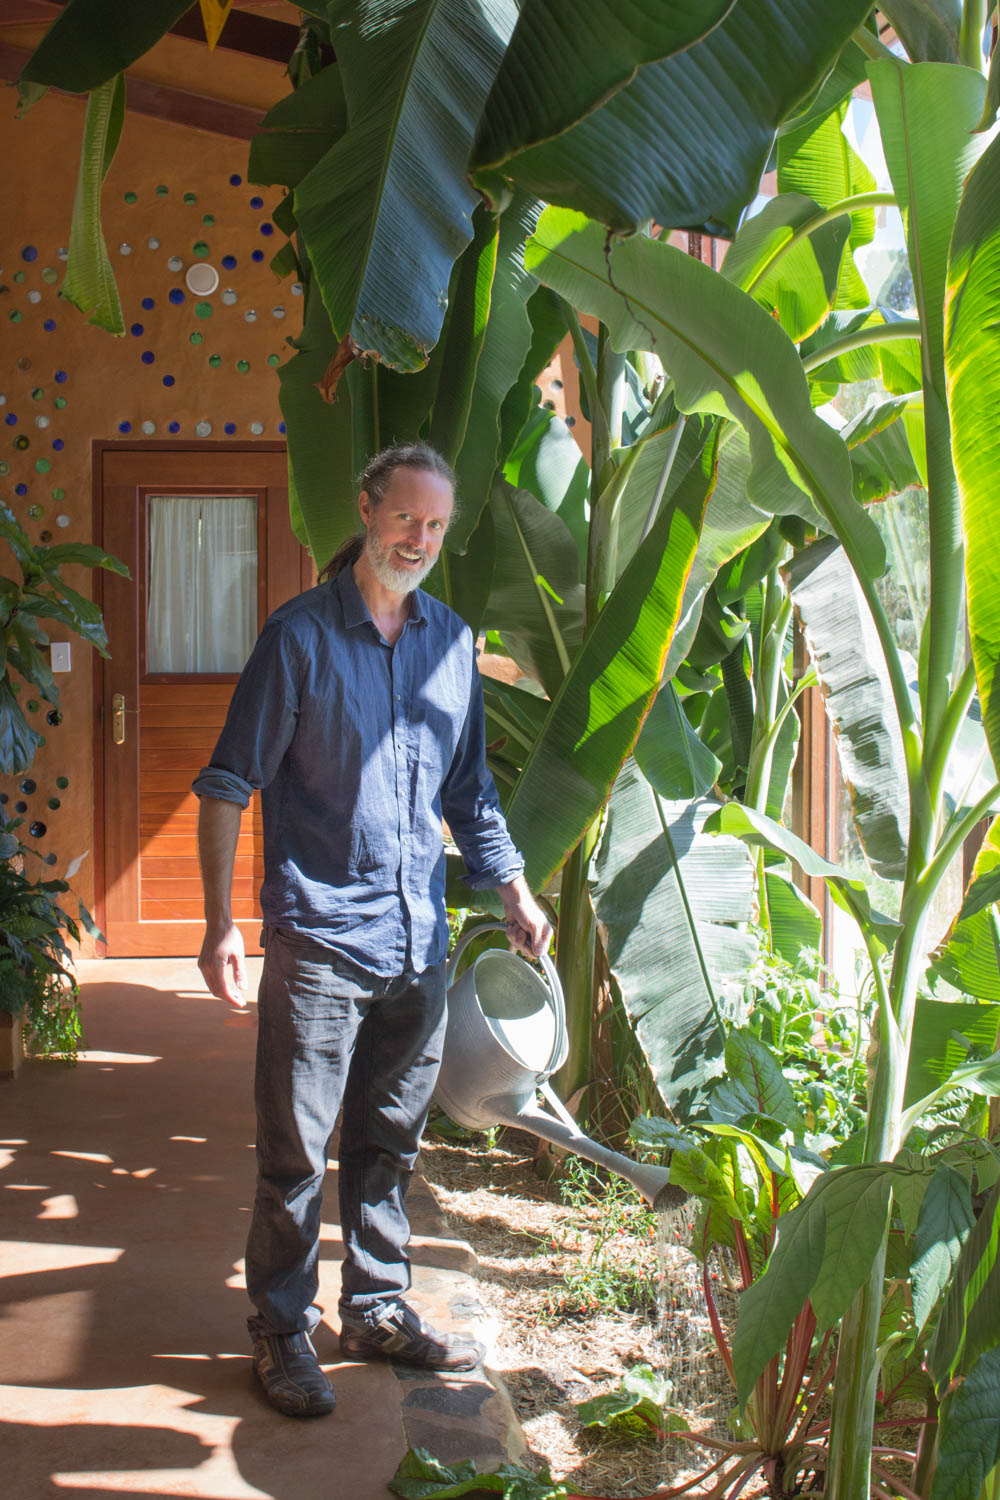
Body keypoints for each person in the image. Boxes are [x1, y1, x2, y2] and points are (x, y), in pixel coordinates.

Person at [192, 443, 551, 1419]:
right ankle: (281, 1331)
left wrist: (513, 891)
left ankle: (376, 1310)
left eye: (435, 526)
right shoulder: (298, 638)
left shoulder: (452, 643)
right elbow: (228, 783)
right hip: (319, 939)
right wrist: (220, 922)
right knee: (296, 1154)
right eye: (404, 519)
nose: (419, 540)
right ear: (365, 509)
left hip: (417, 940)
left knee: (390, 1143)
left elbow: (471, 795)